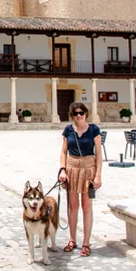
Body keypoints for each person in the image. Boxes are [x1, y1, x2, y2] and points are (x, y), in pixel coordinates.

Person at [58, 102, 103, 257]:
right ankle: (72, 239)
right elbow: (64, 152)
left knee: (86, 206)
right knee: (73, 206)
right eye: (76, 113)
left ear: (86, 114)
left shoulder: (94, 130)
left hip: (88, 169)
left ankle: (86, 242)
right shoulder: (68, 130)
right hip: (72, 168)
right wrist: (63, 170)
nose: (79, 115)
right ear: (72, 115)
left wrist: (98, 175)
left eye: (81, 113)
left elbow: (98, 154)